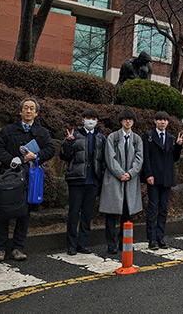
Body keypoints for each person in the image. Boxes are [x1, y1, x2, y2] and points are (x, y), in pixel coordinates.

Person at [0, 98, 55, 262]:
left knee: (24, 213)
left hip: (29, 177)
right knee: (3, 212)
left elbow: (50, 149)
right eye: (25, 108)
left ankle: (18, 248)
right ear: (20, 111)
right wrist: (11, 159)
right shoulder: (8, 130)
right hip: (8, 176)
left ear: (36, 113)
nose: (28, 111)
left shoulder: (42, 132)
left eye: (31, 108)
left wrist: (37, 156)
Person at [60, 108, 106, 255]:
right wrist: (68, 143)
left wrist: (101, 178)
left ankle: (83, 243)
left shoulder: (100, 138)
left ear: (97, 121)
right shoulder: (75, 135)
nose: (90, 121)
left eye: (93, 118)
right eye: (87, 118)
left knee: (87, 214)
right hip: (76, 179)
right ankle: (71, 245)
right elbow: (64, 156)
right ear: (82, 120)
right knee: (74, 213)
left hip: (93, 181)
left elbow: (103, 160)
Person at [98, 109, 143, 254]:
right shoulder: (113, 137)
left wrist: (130, 174)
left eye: (130, 119)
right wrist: (120, 173)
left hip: (130, 180)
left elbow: (139, 159)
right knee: (111, 213)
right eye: (125, 119)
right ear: (121, 121)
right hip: (113, 179)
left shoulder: (137, 139)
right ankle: (111, 244)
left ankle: (124, 242)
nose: (128, 121)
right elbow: (109, 158)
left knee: (126, 213)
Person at [142, 111, 183, 250]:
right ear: (155, 121)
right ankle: (151, 239)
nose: (162, 122)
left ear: (168, 122)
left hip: (167, 178)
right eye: (160, 120)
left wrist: (178, 146)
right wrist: (148, 174)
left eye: (165, 120)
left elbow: (175, 158)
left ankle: (160, 237)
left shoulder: (172, 138)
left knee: (163, 209)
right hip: (153, 177)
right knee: (153, 208)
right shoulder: (148, 136)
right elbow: (146, 157)